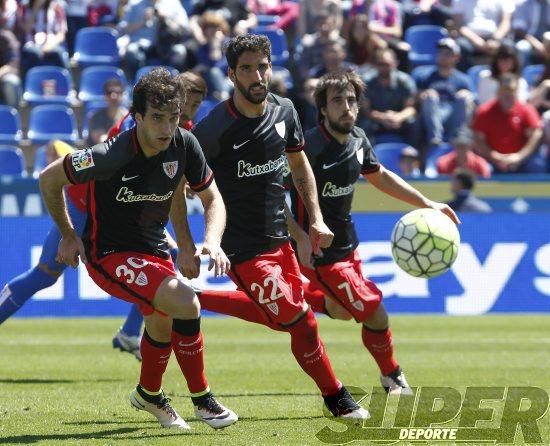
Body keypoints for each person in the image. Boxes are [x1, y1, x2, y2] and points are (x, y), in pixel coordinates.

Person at [195, 69, 459, 396]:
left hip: (348, 248)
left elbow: (380, 177)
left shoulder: (359, 140)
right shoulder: (312, 148)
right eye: (337, 101)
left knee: (339, 311)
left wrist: (426, 202)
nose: (346, 107)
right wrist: (301, 235)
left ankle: (204, 298)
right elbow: (273, 191)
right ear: (323, 108)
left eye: (352, 101)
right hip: (320, 255)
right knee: (374, 311)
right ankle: (392, 376)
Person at [38, 68, 238, 430]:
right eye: (157, 118)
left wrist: (209, 241)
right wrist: (69, 234)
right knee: (186, 302)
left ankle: (149, 395)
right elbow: (49, 177)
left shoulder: (184, 144)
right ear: (138, 117)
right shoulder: (110, 153)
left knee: (160, 323)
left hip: (153, 249)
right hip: (109, 254)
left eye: (173, 118)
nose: (166, 127)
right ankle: (203, 399)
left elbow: (212, 199)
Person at [192, 34, 370, 419]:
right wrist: (200, 240)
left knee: (283, 319)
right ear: (231, 74)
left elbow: (297, 164)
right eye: (246, 68)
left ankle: (195, 299)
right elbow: (182, 183)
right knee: (300, 320)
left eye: (262, 66)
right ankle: (336, 397)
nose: (257, 75)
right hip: (242, 247)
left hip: (281, 240)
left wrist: (312, 223)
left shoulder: (285, 111)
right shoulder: (214, 129)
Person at [0, 140, 142, 361]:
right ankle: (131, 332)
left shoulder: (169, 139)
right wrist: (68, 233)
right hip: (81, 210)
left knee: (159, 261)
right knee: (44, 274)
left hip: (108, 215)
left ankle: (131, 332)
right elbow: (52, 171)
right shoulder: (108, 148)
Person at [473, 73, 544, 173]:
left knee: (537, 166)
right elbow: (478, 139)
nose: (508, 94)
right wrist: (495, 157)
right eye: (504, 90)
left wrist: (519, 157)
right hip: (492, 161)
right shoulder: (485, 111)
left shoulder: (526, 110)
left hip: (521, 161)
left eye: (511, 90)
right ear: (498, 91)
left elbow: (535, 136)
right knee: (484, 169)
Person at [416, 38, 474, 148]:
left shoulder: (463, 79)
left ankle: (459, 138)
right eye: (440, 53)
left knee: (464, 97)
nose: (443, 56)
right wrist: (423, 95)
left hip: (453, 115)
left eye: (447, 54)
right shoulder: (424, 75)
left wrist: (467, 97)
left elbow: (474, 104)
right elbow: (414, 99)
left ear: (457, 57)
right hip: (433, 115)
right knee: (430, 97)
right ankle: (435, 140)